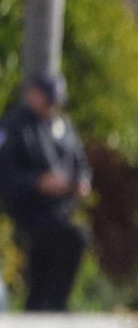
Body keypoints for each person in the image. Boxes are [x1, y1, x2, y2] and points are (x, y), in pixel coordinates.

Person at [0, 72, 92, 311]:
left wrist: (81, 182)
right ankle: (44, 304)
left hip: (60, 208)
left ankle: (53, 303)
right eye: (48, 98)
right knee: (63, 238)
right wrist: (37, 182)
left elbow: (80, 164)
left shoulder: (63, 126)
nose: (53, 105)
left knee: (71, 239)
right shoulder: (14, 124)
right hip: (27, 207)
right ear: (33, 95)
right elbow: (6, 173)